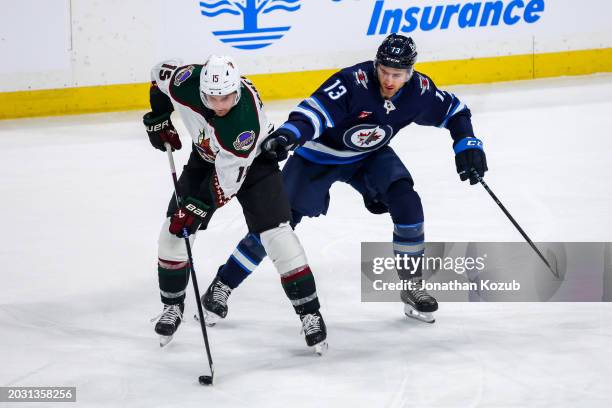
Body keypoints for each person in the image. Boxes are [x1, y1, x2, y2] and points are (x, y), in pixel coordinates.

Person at [201, 34, 488, 324]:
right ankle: (222, 285)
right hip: (317, 158)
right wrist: (288, 136)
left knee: (407, 201)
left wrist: (466, 142)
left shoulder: (419, 91)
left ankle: (412, 286)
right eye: (384, 71)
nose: (389, 80)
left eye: (397, 75)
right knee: (275, 225)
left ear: (410, 72)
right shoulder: (353, 83)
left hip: (369, 157)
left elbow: (455, 111)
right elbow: (312, 113)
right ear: (376, 65)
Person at [143, 55, 327, 354]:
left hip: (253, 164)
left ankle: (310, 314)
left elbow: (228, 181)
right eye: (212, 98)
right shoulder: (183, 81)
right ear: (201, 89)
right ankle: (172, 307)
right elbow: (157, 74)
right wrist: (159, 115)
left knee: (277, 235)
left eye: (226, 97)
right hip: (204, 159)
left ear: (237, 91)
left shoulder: (243, 124)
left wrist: (197, 207)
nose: (219, 105)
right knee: (173, 231)